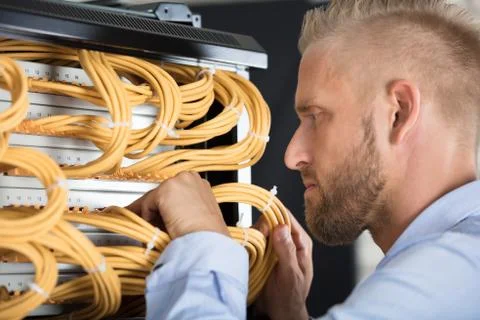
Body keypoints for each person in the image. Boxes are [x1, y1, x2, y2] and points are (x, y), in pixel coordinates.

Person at [127, 0, 480, 319]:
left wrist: (201, 240)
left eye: (315, 116)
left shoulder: (452, 270)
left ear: (398, 114)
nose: (292, 155)